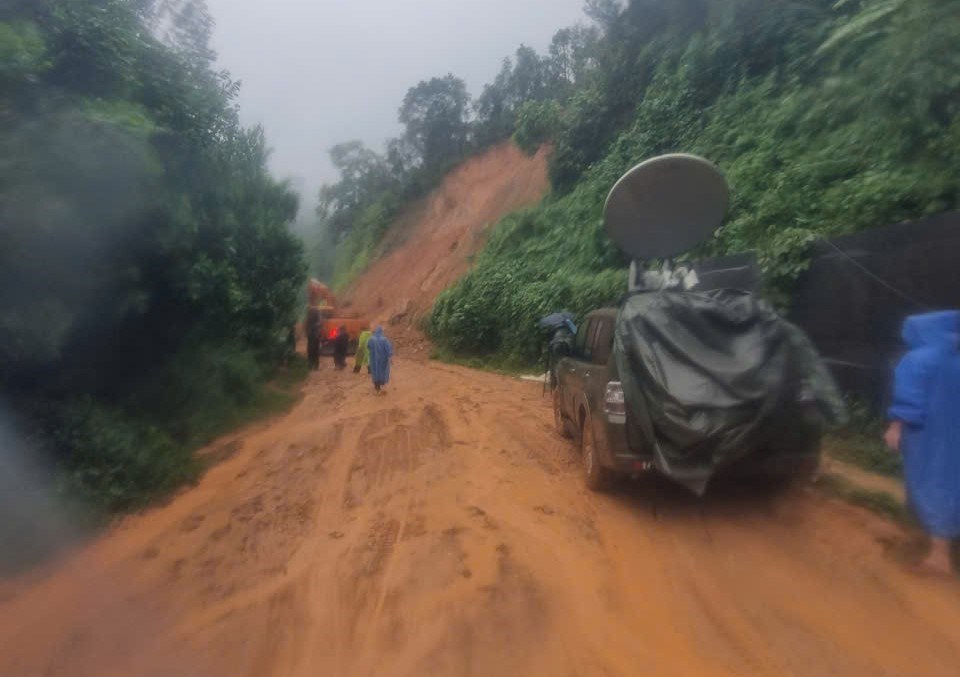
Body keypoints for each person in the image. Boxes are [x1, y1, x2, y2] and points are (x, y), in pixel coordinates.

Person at [885, 311, 960, 575]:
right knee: (953, 485)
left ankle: (940, 558)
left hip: (926, 434)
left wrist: (895, 427)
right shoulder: (954, 360)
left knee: (931, 485)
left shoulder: (917, 359)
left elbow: (910, 397)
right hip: (953, 436)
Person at [367, 326, 393, 394]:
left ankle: (376, 385)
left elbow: (368, 346)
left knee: (375, 371)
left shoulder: (371, 339)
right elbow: (388, 348)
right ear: (381, 332)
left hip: (373, 358)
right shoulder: (384, 339)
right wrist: (390, 357)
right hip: (383, 359)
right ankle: (381, 382)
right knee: (382, 371)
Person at [306, 304, 323, 371]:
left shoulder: (310, 313)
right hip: (313, 336)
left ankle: (312, 365)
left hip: (313, 336)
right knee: (314, 351)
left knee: (311, 351)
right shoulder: (316, 312)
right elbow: (320, 323)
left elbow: (307, 325)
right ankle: (314, 365)